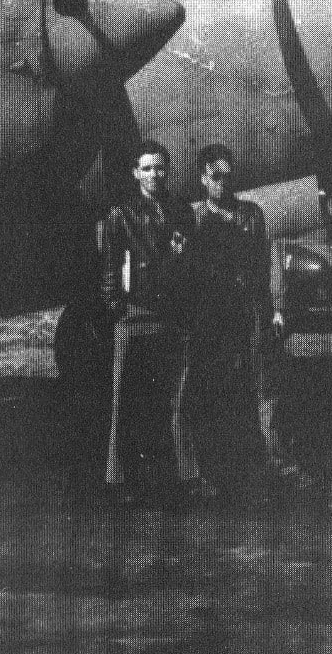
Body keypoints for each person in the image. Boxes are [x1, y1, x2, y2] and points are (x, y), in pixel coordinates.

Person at [187, 144, 305, 491]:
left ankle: (278, 461)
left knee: (266, 388)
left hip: (252, 310)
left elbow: (269, 262)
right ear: (203, 179)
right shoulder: (195, 219)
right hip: (216, 316)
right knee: (219, 389)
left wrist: (278, 308)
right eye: (215, 177)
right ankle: (219, 469)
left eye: (227, 176)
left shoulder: (251, 214)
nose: (222, 183)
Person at [100, 140, 203, 505]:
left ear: (168, 171)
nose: (154, 175)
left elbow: (190, 260)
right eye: (146, 168)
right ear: (135, 173)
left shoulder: (181, 211)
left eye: (160, 168)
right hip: (136, 317)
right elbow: (111, 266)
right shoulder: (120, 214)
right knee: (126, 400)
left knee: (179, 399)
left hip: (174, 316)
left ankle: (186, 477)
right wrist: (117, 306)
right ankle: (122, 480)